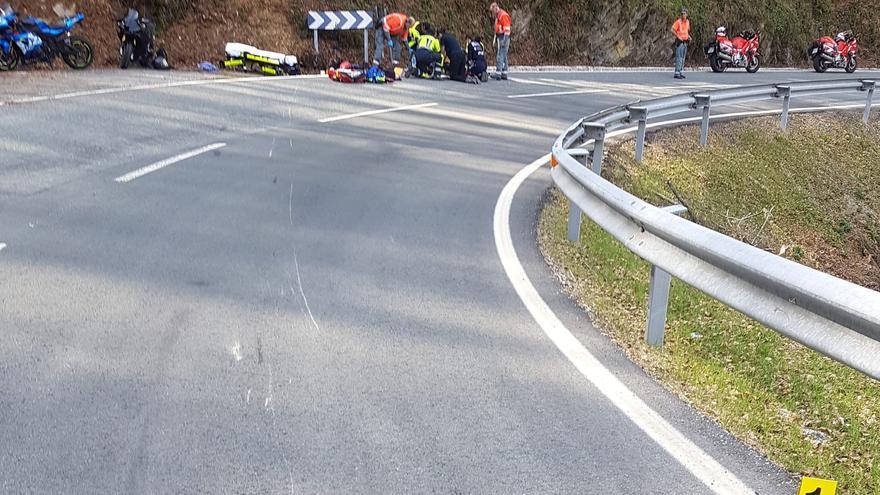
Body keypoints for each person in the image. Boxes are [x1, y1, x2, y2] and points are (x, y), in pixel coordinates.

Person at [490, 2, 511, 80]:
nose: (492, 13)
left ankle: (498, 73)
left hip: (504, 37)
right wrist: (495, 39)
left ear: (496, 8)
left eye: (493, 11)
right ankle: (504, 73)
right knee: (504, 55)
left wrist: (504, 41)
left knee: (500, 55)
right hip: (500, 37)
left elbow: (507, 30)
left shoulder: (503, 16)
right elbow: (497, 29)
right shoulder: (498, 15)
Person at [671, 7, 690, 79]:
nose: (683, 15)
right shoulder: (678, 22)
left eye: (684, 14)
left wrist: (689, 37)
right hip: (680, 42)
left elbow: (686, 31)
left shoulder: (687, 22)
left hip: (685, 42)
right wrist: (677, 36)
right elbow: (672, 29)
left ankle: (681, 72)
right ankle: (677, 73)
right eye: (682, 14)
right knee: (679, 57)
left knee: (683, 58)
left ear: (687, 14)